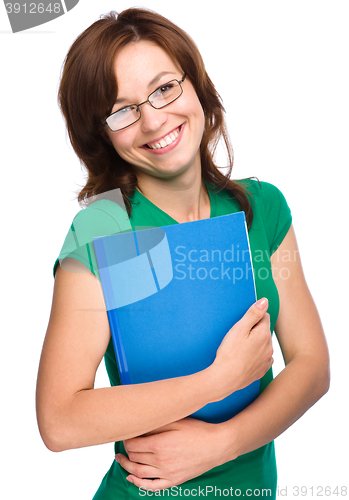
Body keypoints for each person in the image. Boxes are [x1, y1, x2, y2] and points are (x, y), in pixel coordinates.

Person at [36, 8, 330, 500]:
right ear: (102, 133)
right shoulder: (106, 230)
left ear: (195, 86)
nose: (153, 119)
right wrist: (217, 381)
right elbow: (59, 420)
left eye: (164, 88)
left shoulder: (262, 208)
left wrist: (224, 443)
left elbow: (312, 364)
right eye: (122, 110)